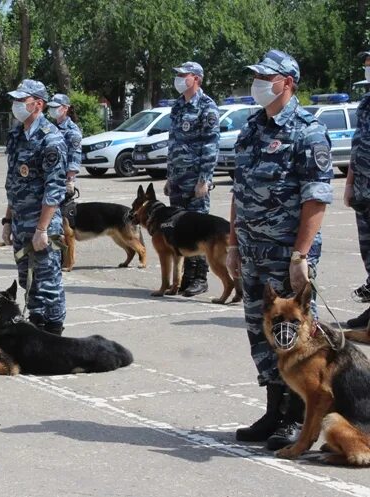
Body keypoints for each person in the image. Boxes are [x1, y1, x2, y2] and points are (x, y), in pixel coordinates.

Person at [227, 50, 333, 450]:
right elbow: (238, 192)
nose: (257, 82)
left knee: (297, 339)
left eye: (265, 76)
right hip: (252, 252)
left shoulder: (307, 131)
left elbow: (317, 199)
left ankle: (296, 417)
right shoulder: (252, 128)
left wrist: (300, 255)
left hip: (285, 254)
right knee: (261, 333)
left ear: (287, 81)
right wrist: (234, 243)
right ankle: (274, 410)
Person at [2, 79, 67, 334]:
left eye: (22, 101)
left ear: (38, 104)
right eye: (15, 100)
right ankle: (36, 330)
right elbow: (13, 183)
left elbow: (55, 189)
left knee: (48, 282)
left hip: (43, 224)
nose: (16, 105)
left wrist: (42, 229)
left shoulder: (51, 139)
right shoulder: (16, 136)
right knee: (28, 282)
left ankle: (54, 335)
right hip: (20, 221)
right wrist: (7, 221)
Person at [166, 61, 220, 297]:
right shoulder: (177, 106)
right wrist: (169, 176)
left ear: (196, 78)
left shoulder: (207, 107)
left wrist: (204, 179)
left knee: (199, 231)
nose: (178, 78)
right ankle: (185, 278)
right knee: (179, 229)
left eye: (182, 74)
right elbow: (173, 144)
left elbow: (210, 145)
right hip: (178, 180)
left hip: (196, 181)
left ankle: (199, 278)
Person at [344, 50, 370, 328]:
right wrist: (349, 183)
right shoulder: (365, 105)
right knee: (368, 254)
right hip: (363, 193)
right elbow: (357, 148)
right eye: (366, 65)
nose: (367, 69)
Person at [47, 93, 82, 196]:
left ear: (66, 108)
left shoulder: (72, 131)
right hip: (48, 174)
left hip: (61, 178)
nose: (52, 109)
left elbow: (74, 156)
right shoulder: (50, 126)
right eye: (51, 107)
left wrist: (70, 180)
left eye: (56, 107)